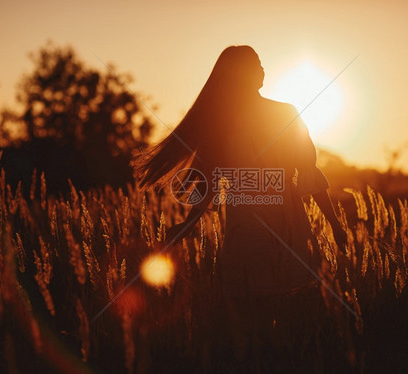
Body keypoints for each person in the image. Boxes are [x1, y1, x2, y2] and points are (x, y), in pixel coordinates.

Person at [132, 45, 347, 371]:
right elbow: (308, 172)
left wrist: (182, 231)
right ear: (242, 74)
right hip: (286, 223)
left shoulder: (220, 125)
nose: (263, 70)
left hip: (244, 228)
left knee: (253, 324)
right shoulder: (284, 112)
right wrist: (334, 223)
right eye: (257, 64)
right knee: (291, 320)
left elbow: (204, 191)